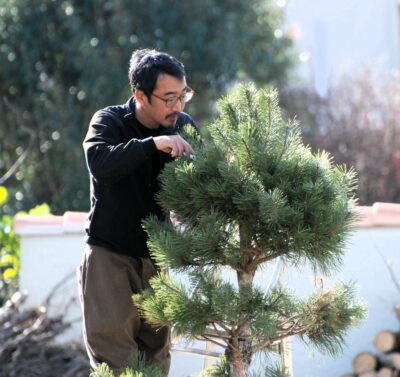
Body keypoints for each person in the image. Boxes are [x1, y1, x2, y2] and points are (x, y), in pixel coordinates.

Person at [77, 49, 196, 376]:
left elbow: (199, 186)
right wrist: (153, 145)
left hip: (157, 261)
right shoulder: (109, 121)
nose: (178, 106)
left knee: (157, 361)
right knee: (117, 364)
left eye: (183, 95)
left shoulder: (183, 126)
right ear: (140, 95)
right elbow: (100, 163)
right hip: (109, 259)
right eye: (169, 97)